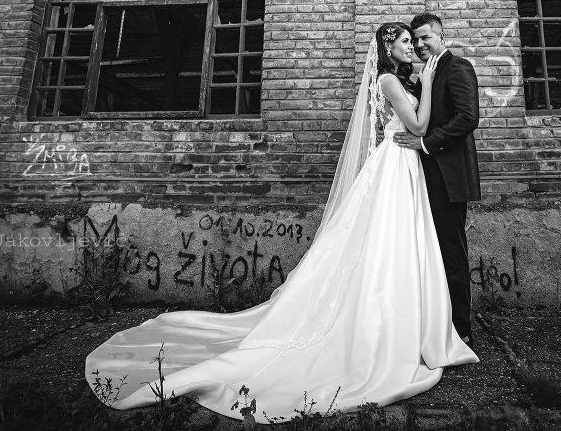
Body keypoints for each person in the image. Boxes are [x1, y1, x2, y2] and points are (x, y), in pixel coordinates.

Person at [84, 22, 478, 423]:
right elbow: (418, 127)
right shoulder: (391, 81)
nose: (413, 47)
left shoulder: (404, 78)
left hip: (405, 166)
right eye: (406, 42)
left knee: (399, 246)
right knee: (387, 245)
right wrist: (429, 83)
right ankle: (382, 327)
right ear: (388, 47)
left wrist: (423, 85)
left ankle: (406, 320)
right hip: (398, 162)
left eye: (416, 40)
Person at [393, 13, 481, 344]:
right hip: (423, 175)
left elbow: (468, 117)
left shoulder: (457, 67)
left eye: (425, 37)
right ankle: (433, 323)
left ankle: (461, 330)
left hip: (449, 176)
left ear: (441, 37)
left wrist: (425, 143)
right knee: (428, 251)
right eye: (414, 40)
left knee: (451, 252)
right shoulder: (424, 75)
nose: (419, 45)